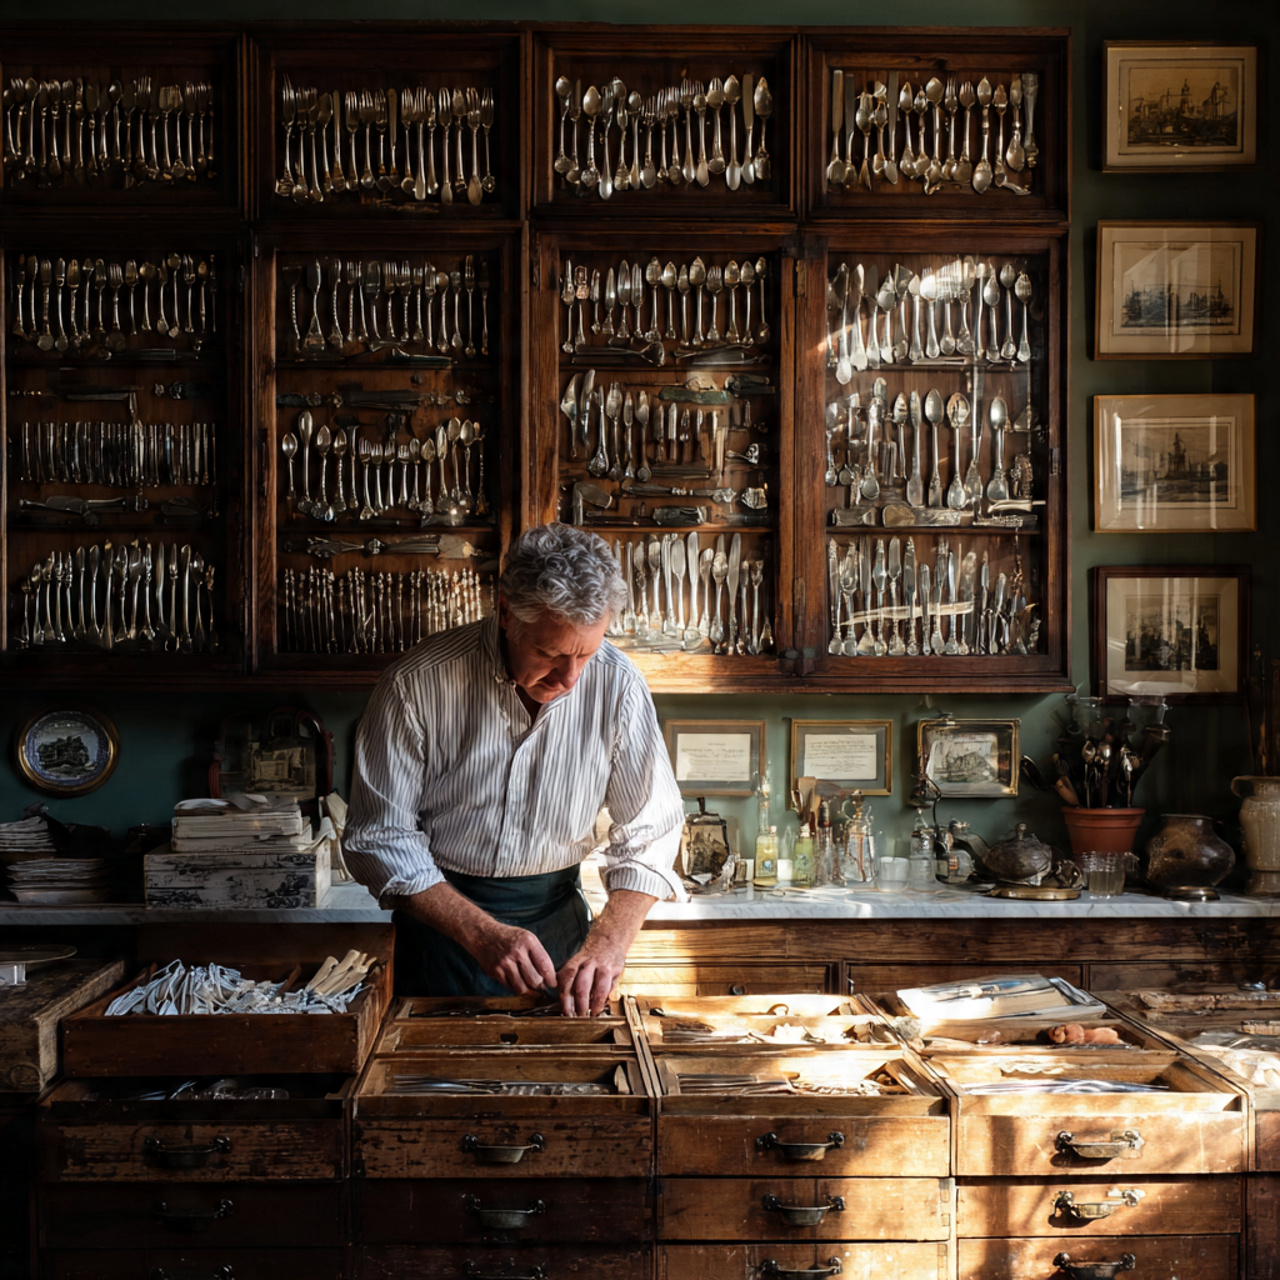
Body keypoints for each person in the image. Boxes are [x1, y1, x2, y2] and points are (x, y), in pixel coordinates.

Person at [344, 522, 685, 1016]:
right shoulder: (415, 684)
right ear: (506, 612)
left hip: (561, 930)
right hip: (442, 932)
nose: (570, 678)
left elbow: (652, 828)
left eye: (585, 654)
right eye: (549, 654)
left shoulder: (618, 685)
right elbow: (379, 836)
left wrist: (608, 941)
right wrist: (479, 931)